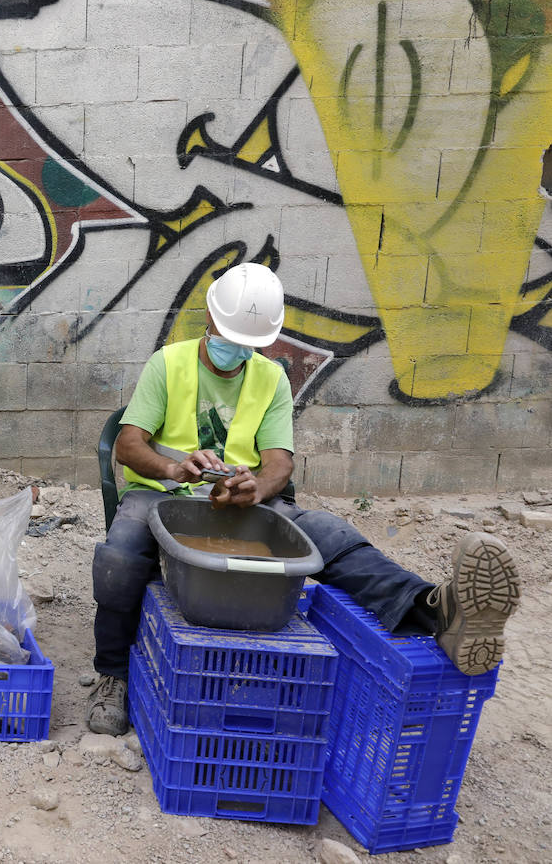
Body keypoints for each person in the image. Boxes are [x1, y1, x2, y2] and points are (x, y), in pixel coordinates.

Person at [87, 262, 522, 736]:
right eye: (229, 335)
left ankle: (435, 608)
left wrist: (255, 486)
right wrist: (174, 467)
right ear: (209, 320)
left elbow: (279, 463)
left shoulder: (270, 378)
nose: (235, 349)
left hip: (237, 499)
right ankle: (112, 674)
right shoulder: (167, 364)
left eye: (248, 343)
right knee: (121, 555)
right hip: (162, 494)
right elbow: (129, 444)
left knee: (331, 536)